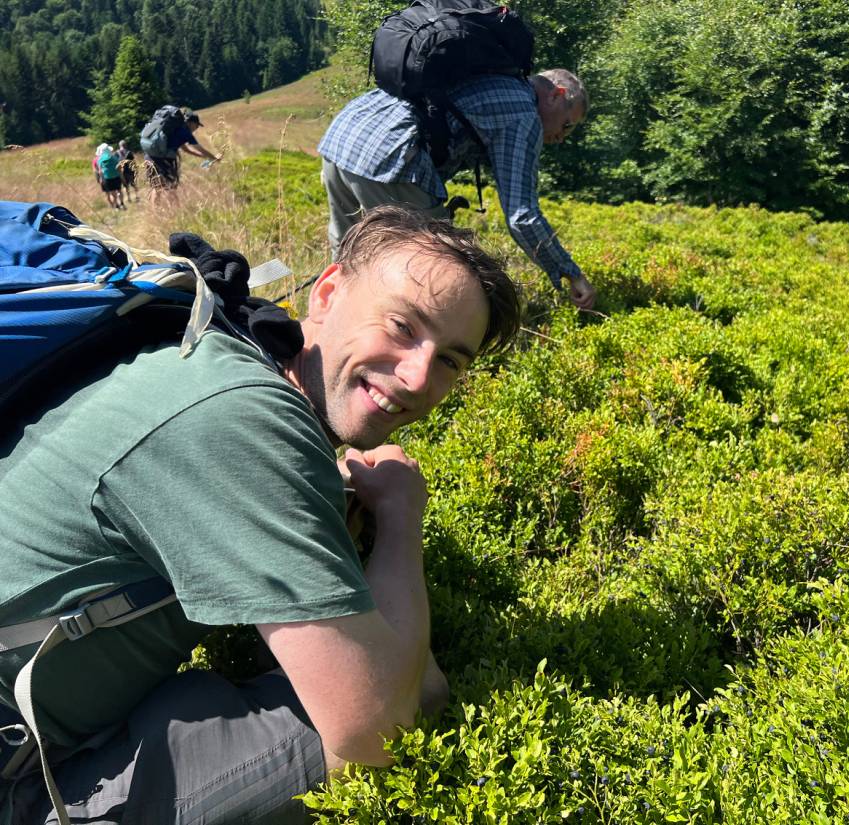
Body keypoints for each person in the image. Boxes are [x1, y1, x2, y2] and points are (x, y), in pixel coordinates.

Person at [0, 206, 522, 824]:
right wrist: (402, 515)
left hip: (45, 723)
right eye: (404, 327)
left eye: (449, 361)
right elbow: (377, 731)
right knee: (396, 715)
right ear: (327, 292)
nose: (416, 377)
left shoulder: (214, 350)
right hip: (17, 769)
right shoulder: (244, 422)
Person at [319, 69, 597, 309]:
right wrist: (571, 273)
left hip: (346, 133)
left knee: (346, 258)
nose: (561, 137)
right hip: (388, 155)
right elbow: (522, 216)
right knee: (428, 269)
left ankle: (322, 333)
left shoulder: (496, 80)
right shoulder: (524, 114)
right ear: (556, 94)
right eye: (567, 124)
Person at [143, 109, 220, 201]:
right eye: (197, 126)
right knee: (170, 187)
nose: (196, 128)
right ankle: (175, 210)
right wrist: (215, 158)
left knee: (156, 186)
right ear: (191, 123)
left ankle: (155, 213)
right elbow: (200, 149)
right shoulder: (185, 132)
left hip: (149, 155)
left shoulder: (175, 129)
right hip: (164, 160)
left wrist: (206, 158)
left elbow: (186, 149)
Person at [96, 143, 125, 210]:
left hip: (107, 178)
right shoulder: (114, 158)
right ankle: (122, 203)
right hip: (116, 177)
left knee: (113, 193)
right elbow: (119, 168)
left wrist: (101, 179)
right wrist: (122, 177)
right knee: (119, 191)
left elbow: (100, 171)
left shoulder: (100, 160)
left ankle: (116, 206)